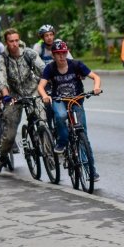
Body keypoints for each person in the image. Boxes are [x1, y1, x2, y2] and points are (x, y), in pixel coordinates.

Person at [38, 40, 102, 179]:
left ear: (67, 53)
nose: (61, 56)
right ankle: (62, 142)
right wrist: (45, 96)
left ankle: (91, 170)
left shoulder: (76, 65)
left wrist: (96, 87)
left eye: (63, 53)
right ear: (53, 55)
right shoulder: (50, 68)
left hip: (76, 100)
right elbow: (41, 86)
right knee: (60, 116)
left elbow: (95, 76)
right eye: (58, 54)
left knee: (82, 133)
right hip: (59, 100)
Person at [0, 29, 46, 175]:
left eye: (17, 40)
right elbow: (1, 78)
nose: (15, 44)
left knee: (42, 123)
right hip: (13, 95)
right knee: (9, 134)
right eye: (11, 41)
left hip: (33, 91)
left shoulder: (29, 53)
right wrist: (5, 95)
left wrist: (49, 82)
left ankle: (49, 157)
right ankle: (3, 157)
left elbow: (43, 69)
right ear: (6, 42)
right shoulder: (2, 58)